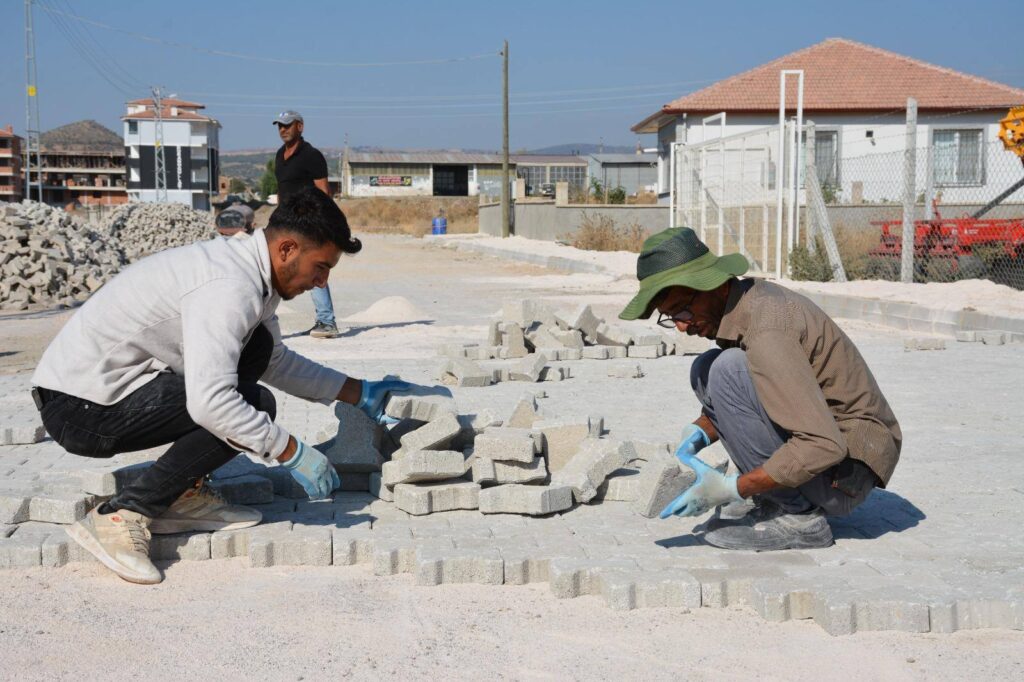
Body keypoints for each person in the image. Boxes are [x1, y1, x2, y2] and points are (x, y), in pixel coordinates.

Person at [30, 187, 414, 584]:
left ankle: (179, 495)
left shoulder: (253, 273)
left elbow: (274, 362)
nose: (321, 282)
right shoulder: (230, 285)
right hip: (81, 407)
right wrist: (290, 450)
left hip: (111, 390)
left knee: (256, 365)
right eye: (320, 267)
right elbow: (210, 403)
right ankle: (123, 515)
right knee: (246, 406)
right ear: (286, 250)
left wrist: (361, 393)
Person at [619, 227, 902, 551]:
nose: (682, 326)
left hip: (846, 472)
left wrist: (736, 488)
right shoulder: (743, 304)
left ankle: (799, 518)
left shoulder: (767, 330)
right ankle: (775, 497)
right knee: (708, 368)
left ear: (713, 285)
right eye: (670, 317)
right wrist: (700, 431)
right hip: (832, 449)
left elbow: (825, 445)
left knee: (726, 370)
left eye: (682, 310)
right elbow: (765, 395)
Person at [272, 109, 340, 339]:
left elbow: (324, 192)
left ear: (299, 127)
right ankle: (263, 322)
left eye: (287, 125)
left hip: (309, 222)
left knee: (313, 268)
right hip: (286, 223)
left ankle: (327, 321)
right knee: (275, 269)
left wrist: (326, 224)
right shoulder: (280, 156)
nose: (283, 130)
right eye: (280, 126)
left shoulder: (312, 155)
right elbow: (282, 190)